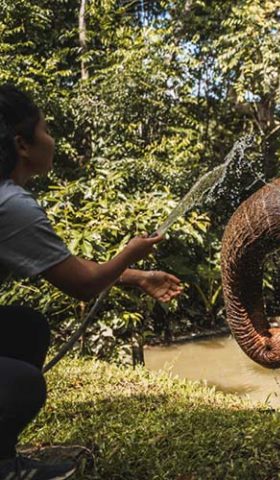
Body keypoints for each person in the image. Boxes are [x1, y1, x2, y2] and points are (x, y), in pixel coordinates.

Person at [0, 84, 183, 479]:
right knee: (23, 384)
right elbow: (82, 285)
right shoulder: (11, 204)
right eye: (46, 129)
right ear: (22, 144)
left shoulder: (8, 199)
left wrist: (136, 277)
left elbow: (66, 265)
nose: (53, 138)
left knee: (23, 328)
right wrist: (131, 253)